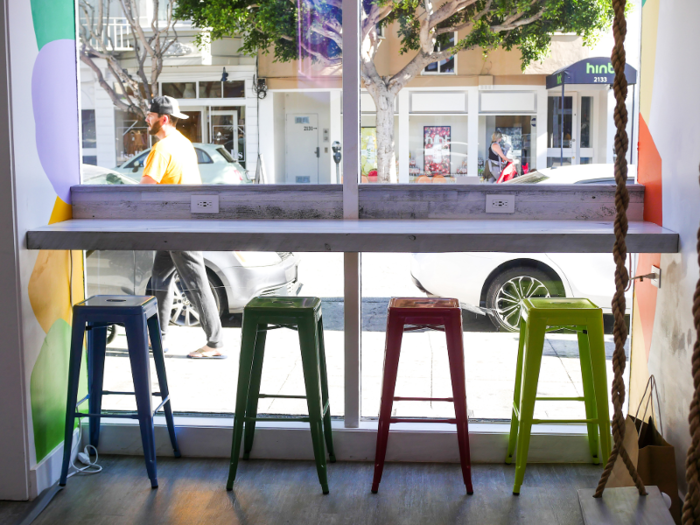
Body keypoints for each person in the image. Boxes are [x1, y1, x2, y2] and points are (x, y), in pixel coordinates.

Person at [141, 95, 225, 359]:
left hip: (177, 225)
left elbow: (144, 190)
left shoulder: (162, 148)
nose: (146, 119)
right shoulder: (185, 144)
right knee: (160, 277)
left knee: (195, 282)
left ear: (163, 119)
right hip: (182, 222)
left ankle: (215, 342)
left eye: (150, 116)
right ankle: (158, 338)